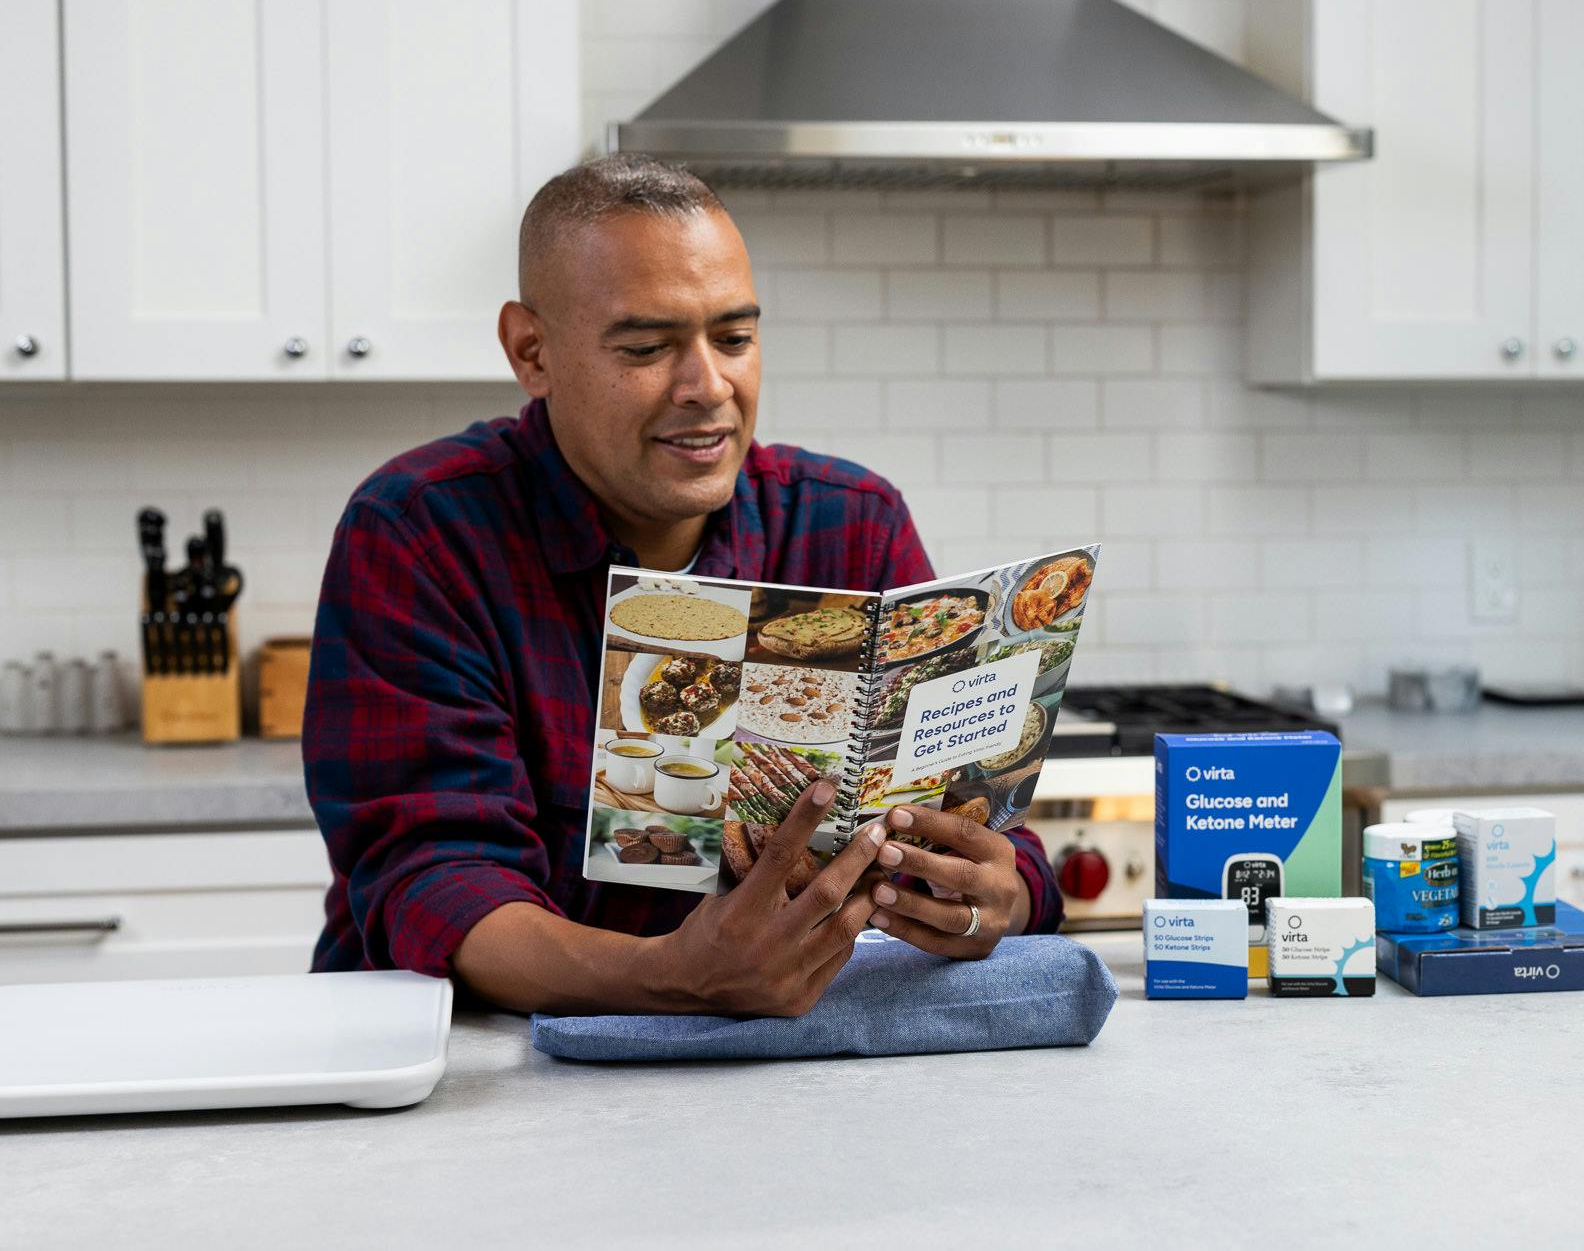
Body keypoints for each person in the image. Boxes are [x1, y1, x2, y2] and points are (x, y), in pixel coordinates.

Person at [304, 155, 1062, 1015]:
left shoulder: (850, 524)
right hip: (482, 1072)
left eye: (734, 339)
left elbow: (985, 830)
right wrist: (676, 978)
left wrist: (1000, 894)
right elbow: (435, 883)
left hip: (782, 1077)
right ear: (532, 351)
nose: (709, 388)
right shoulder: (420, 534)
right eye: (646, 348)